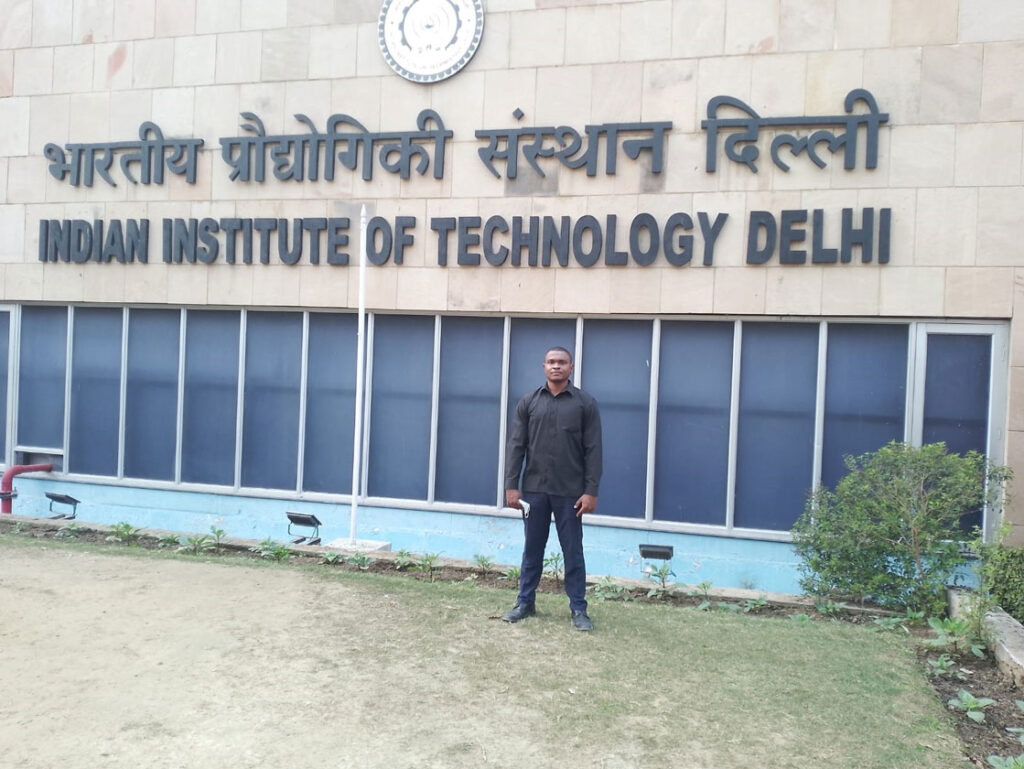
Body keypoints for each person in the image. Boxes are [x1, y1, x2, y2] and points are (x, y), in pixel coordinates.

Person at [501, 346, 602, 631]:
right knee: (532, 549)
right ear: (543, 366)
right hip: (534, 491)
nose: (556, 366)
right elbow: (516, 446)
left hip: (571, 493)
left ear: (571, 367)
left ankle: (579, 609)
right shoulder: (529, 402)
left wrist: (590, 491)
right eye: (551, 362)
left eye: (562, 362)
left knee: (573, 551)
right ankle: (525, 603)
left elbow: (594, 451)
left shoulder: (585, 404)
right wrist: (511, 485)